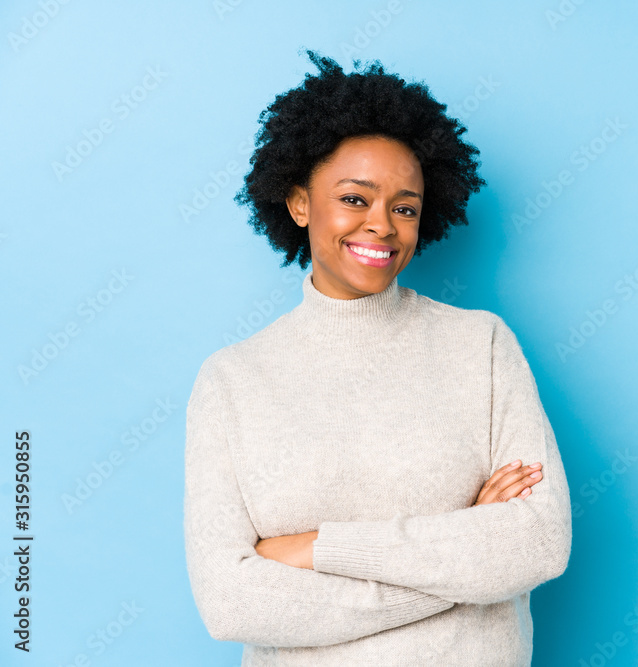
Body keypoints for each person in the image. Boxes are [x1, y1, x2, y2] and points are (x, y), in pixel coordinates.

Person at [182, 50, 573, 665]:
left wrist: (313, 549)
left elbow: (539, 543)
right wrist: (456, 571)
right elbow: (229, 602)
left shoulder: (482, 347)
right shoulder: (232, 381)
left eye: (405, 207)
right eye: (355, 199)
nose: (382, 226)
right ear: (300, 203)